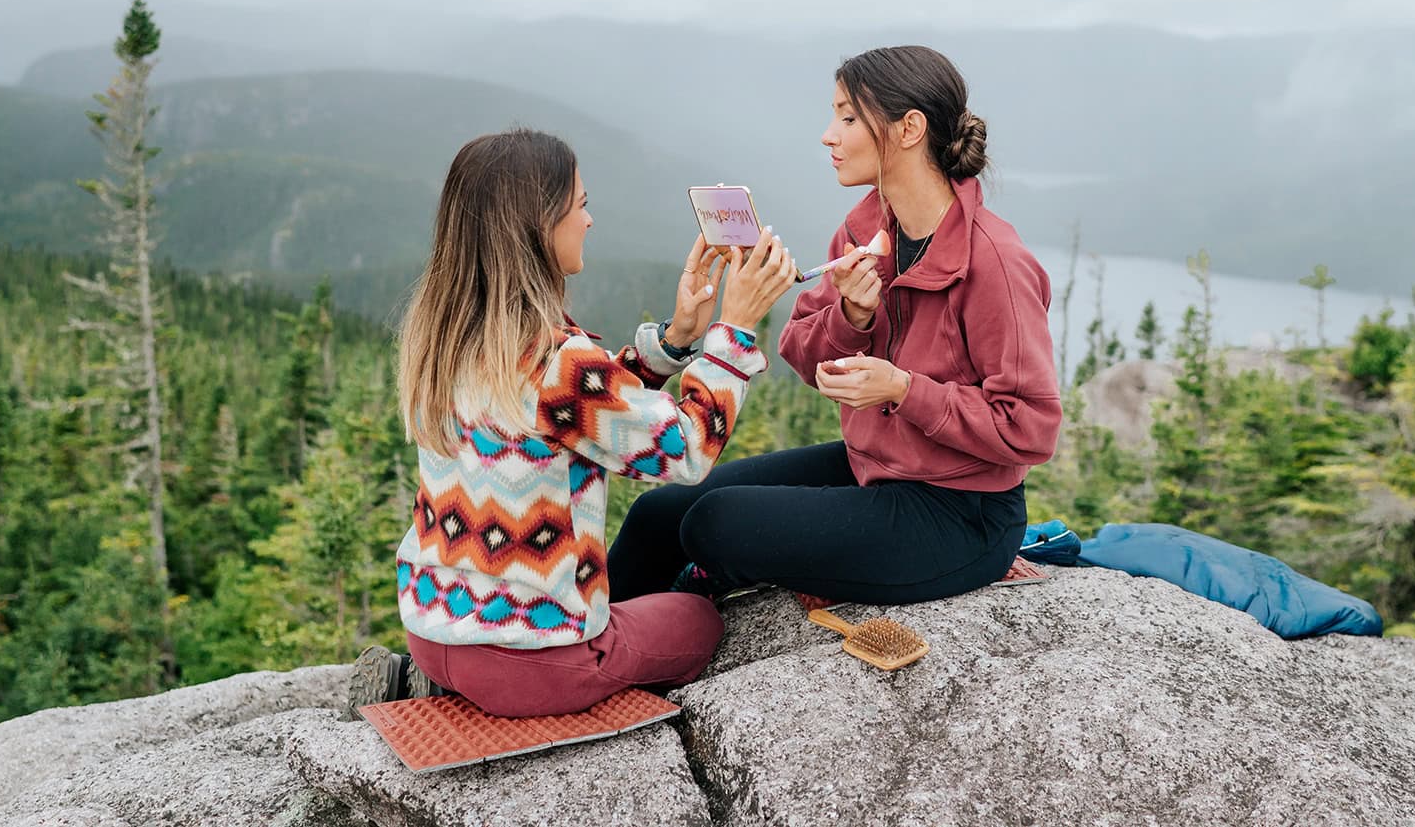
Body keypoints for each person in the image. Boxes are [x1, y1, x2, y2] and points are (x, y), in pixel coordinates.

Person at [349, 128, 797, 718]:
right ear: (540, 224)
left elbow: (575, 412)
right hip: (533, 659)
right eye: (580, 205)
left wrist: (673, 341)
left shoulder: (447, 337)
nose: (589, 220)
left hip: (433, 635)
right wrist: (732, 332)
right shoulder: (552, 359)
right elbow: (686, 449)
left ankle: (432, 682)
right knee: (697, 618)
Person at [607, 45, 1061, 606]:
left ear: (909, 129)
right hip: (873, 465)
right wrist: (852, 318)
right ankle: (592, 642)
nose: (828, 135)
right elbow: (802, 353)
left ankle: (701, 597)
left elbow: (1031, 427)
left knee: (715, 523)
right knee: (660, 511)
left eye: (848, 118)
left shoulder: (994, 263)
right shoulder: (866, 229)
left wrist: (904, 389)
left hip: (961, 512)